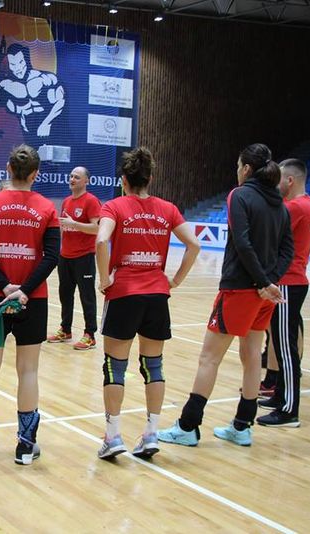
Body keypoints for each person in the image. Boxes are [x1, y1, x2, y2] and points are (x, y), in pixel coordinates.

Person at [158, 143, 294, 447]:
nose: (237, 171)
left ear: (246, 169)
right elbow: (288, 250)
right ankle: (242, 426)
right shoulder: (280, 204)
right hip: (265, 294)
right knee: (251, 358)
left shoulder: (239, 195)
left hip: (240, 289)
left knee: (209, 358)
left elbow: (243, 244)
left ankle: (188, 426)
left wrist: (262, 281)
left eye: (238, 166)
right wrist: (270, 282)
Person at [94, 148, 200, 459]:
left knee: (114, 367)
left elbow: (101, 240)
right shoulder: (168, 209)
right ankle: (151, 432)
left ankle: (113, 436)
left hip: (124, 294)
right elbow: (193, 244)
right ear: (150, 178)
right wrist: (175, 280)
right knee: (153, 366)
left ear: (123, 180)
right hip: (156, 295)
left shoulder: (114, 206)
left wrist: (105, 279)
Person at [0, 144, 60, 465]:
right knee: (29, 371)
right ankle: (25, 446)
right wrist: (24, 291)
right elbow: (52, 257)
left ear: (8, 169)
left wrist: (4, 286)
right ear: (35, 174)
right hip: (32, 301)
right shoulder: (48, 209)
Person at [256, 159, 310, 427]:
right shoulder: (307, 203)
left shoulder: (294, 207)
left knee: (286, 349)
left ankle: (289, 410)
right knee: (281, 346)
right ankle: (280, 397)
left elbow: (268, 232)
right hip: (292, 281)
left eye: (279, 178)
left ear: (289, 181)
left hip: (288, 283)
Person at [47, 166, 102, 350]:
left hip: (84, 257)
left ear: (86, 181)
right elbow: (64, 227)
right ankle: (65, 330)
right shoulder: (66, 201)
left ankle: (90, 335)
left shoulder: (91, 201)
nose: (72, 179)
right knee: (65, 295)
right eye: (71, 176)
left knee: (87, 297)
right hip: (65, 257)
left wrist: (74, 224)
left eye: (77, 177)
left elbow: (97, 228)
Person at [0, 44, 65, 137]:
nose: (18, 68)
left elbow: (60, 99)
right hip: (26, 136)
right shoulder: (6, 86)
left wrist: (47, 123)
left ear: (26, 61)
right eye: (13, 64)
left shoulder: (44, 78)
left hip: (51, 132)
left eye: (21, 62)